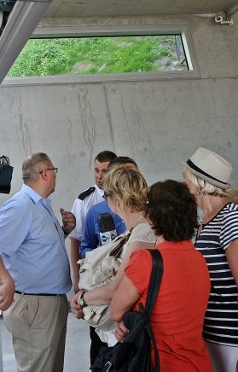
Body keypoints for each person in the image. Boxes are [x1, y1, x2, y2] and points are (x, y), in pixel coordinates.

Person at [182, 147, 238, 371]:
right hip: (215, 339)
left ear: (198, 183)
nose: (183, 184)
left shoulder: (232, 218)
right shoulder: (205, 221)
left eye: (185, 178)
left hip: (237, 343)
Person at [110, 180, 212, 371]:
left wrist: (126, 320)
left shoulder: (146, 261)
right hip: (198, 363)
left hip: (160, 363)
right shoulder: (199, 259)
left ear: (151, 216)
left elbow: (115, 310)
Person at [0, 152, 75, 372]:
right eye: (54, 171)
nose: (55, 176)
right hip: (35, 306)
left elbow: (38, 249)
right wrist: (5, 281)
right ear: (46, 174)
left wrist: (65, 231)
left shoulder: (39, 205)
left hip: (48, 303)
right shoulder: (20, 206)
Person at [71, 166, 156, 345]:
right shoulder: (139, 229)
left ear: (115, 199)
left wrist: (82, 299)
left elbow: (117, 288)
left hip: (132, 329)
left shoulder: (143, 233)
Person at [78, 156, 133, 365]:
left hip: (131, 308)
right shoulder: (96, 211)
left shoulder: (148, 218)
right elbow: (85, 247)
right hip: (102, 302)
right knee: (103, 359)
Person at [70, 150, 117, 294]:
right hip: (97, 271)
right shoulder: (84, 200)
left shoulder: (126, 197)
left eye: (104, 171)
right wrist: (77, 279)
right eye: (96, 171)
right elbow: (76, 241)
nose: (100, 176)